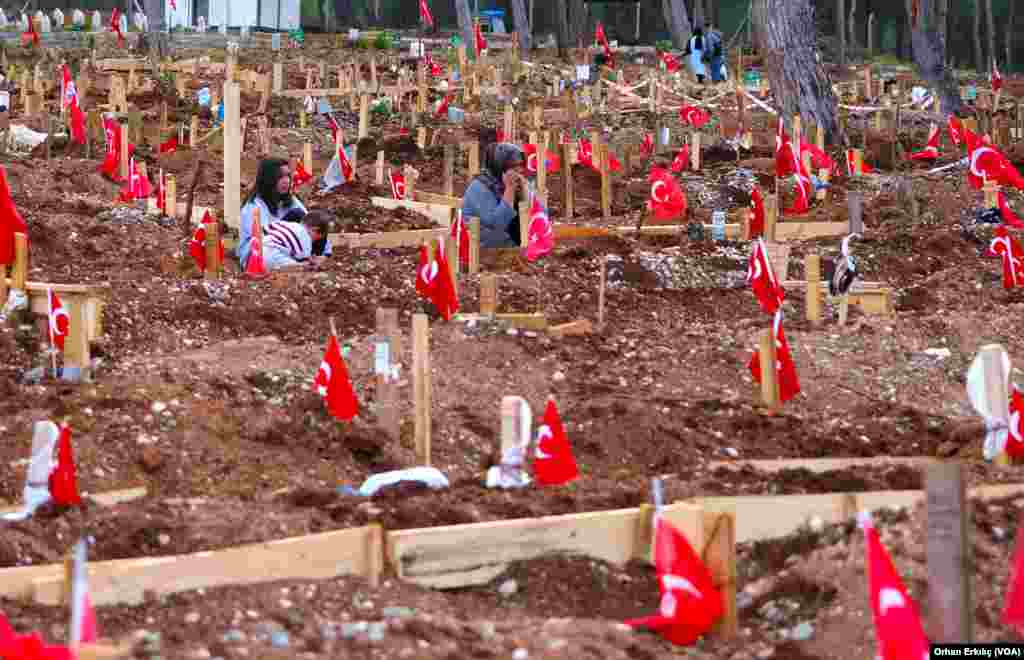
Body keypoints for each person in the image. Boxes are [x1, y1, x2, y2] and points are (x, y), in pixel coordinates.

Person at [238, 158, 306, 269]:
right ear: (268, 179)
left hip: (288, 249)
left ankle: (301, 262)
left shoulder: (292, 201)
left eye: (288, 176)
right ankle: (296, 265)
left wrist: (324, 254)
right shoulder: (253, 207)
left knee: (300, 217)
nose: (286, 181)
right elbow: (262, 240)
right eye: (280, 177)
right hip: (260, 253)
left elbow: (312, 222)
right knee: (266, 255)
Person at [462, 143, 528, 248]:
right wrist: (510, 189)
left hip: (503, 239)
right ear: (500, 165)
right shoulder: (480, 187)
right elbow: (498, 223)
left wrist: (525, 192)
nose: (519, 170)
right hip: (481, 245)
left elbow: (531, 215)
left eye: (520, 165)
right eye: (514, 166)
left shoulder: (503, 182)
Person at [262, 209, 334, 271]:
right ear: (314, 230)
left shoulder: (288, 224)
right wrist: (312, 261)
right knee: (304, 266)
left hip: (257, 250)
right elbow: (303, 259)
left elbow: (266, 229)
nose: (313, 241)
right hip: (270, 258)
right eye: (316, 238)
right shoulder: (306, 239)